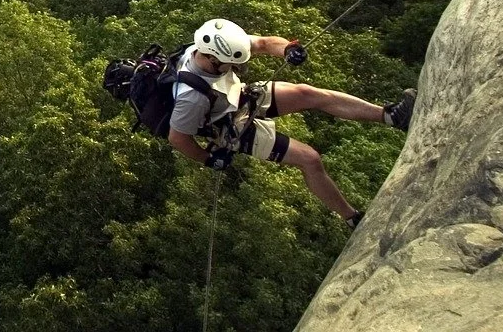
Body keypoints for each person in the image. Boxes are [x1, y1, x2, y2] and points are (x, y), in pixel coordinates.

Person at [167, 18, 416, 228]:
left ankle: (392, 116)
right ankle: (352, 218)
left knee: (308, 93)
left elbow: (264, 43)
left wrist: (288, 49)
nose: (237, 67)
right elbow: (178, 138)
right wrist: (209, 159)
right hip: (229, 127)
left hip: (237, 97)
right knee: (309, 159)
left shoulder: (211, 46)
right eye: (232, 64)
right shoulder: (192, 98)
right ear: (212, 60)